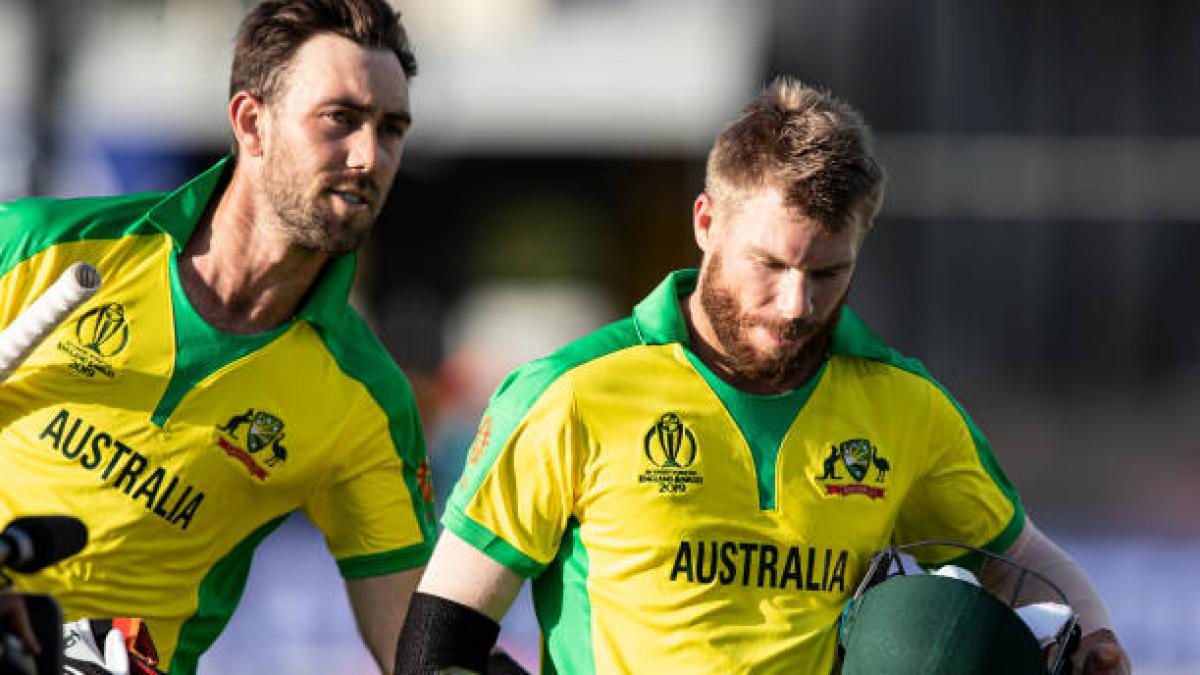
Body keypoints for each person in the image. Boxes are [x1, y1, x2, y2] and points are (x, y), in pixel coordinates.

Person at [395, 78, 1130, 674]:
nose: (796, 303)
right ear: (707, 222)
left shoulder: (906, 405)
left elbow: (1024, 558)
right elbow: (439, 640)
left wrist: (1095, 637)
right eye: (771, 264)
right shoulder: (573, 391)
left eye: (828, 271)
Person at [0, 1, 434, 672]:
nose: (369, 156)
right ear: (251, 122)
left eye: (392, 129)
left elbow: (417, 650)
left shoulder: (369, 399)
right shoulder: (36, 245)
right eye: (340, 120)